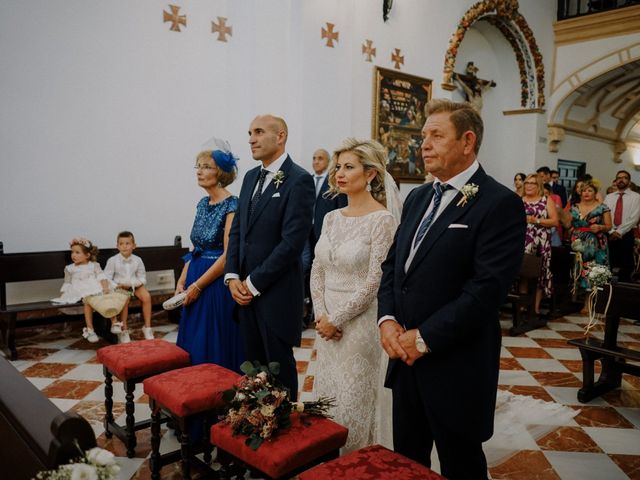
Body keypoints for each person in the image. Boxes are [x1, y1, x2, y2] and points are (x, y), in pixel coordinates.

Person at [377, 99, 526, 479]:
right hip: (405, 362)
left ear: (467, 141)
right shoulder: (418, 197)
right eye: (423, 135)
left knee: (461, 464)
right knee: (408, 461)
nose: (423, 144)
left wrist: (423, 338)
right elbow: (394, 267)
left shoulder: (499, 203)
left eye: (436, 135)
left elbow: (485, 290)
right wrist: (388, 319)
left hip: (455, 363)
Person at [310, 138, 399, 453]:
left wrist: (337, 318)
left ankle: (356, 459)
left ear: (371, 174)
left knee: (352, 398)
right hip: (326, 321)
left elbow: (376, 279)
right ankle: (328, 458)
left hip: (360, 322)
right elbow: (317, 268)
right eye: (338, 167)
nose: (340, 174)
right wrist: (322, 315)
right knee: (328, 392)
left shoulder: (382, 220)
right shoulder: (331, 218)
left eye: (349, 167)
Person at [225, 115, 314, 399]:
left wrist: (252, 284)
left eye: (259, 132)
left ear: (281, 136)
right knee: (252, 370)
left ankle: (284, 434)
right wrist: (232, 277)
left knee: (278, 371)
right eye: (249, 132)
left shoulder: (299, 180)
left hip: (274, 293)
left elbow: (291, 243)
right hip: (244, 293)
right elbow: (238, 231)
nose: (251, 138)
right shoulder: (251, 177)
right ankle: (256, 425)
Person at [175, 144, 244, 370]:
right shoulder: (203, 203)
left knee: (212, 340)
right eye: (199, 166)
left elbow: (227, 255)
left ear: (221, 173)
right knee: (193, 338)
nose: (199, 171)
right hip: (194, 273)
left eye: (206, 167)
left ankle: (214, 393)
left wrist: (198, 286)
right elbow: (196, 247)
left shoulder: (232, 204)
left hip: (214, 282)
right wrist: (183, 280)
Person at [303, 148, 347, 326]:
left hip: (325, 234)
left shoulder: (334, 184)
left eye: (320, 158)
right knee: (306, 271)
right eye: (313, 158)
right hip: (305, 234)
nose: (315, 161)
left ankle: (320, 312)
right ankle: (305, 312)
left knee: (323, 271)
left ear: (328, 162)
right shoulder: (306, 181)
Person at [560, 180, 611, 313]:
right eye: (584, 191)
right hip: (578, 244)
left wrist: (600, 227)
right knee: (578, 271)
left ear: (595, 193)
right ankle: (574, 299)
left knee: (592, 271)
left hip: (596, 244)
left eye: (589, 190)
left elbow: (609, 226)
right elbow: (567, 224)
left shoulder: (602, 207)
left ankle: (589, 303)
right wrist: (570, 228)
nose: (586, 193)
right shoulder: (574, 207)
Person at [52, 237, 111, 343]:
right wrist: (65, 294)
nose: (73, 255)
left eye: (77, 252)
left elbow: (102, 277)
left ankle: (114, 324)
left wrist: (106, 288)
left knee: (108, 296)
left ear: (87, 255)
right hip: (78, 290)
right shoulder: (70, 268)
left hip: (94, 287)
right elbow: (67, 282)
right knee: (87, 300)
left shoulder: (94, 265)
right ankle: (90, 329)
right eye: (72, 252)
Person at [104, 231, 154, 343]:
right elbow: (106, 278)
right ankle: (124, 329)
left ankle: (147, 327)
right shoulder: (112, 260)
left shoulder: (138, 260)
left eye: (127, 243)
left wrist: (132, 285)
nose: (124, 246)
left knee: (146, 297)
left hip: (134, 284)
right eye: (121, 244)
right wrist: (117, 286)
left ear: (134, 246)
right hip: (119, 286)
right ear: (117, 246)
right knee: (124, 299)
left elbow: (142, 278)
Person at [522, 174, 558, 314]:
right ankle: (523, 306)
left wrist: (535, 221)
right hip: (523, 241)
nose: (529, 186)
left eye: (533, 183)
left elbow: (554, 221)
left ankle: (535, 308)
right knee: (523, 272)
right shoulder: (519, 200)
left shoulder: (546, 200)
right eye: (527, 183)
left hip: (541, 242)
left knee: (539, 274)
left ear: (539, 186)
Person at [604, 170, 640, 282]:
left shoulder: (636, 197)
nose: (621, 179)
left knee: (626, 265)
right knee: (609, 262)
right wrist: (611, 231)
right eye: (619, 177)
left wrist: (619, 232)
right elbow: (605, 215)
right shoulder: (609, 197)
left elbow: (634, 217)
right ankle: (607, 290)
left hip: (626, 234)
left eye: (624, 178)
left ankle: (623, 292)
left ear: (629, 181)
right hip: (609, 233)